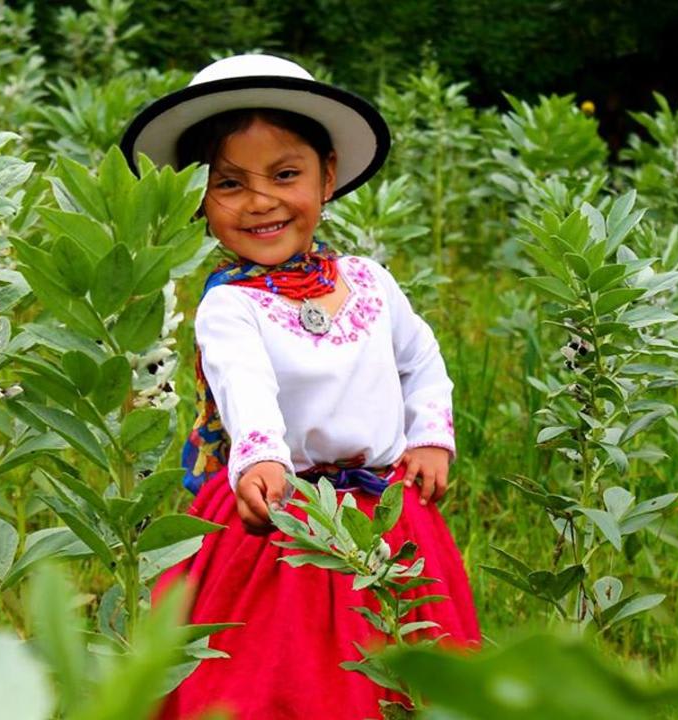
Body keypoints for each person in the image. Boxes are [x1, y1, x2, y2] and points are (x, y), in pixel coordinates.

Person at [120, 54, 481, 720]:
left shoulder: (370, 281)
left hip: (387, 516)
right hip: (277, 516)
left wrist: (431, 435)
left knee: (404, 657)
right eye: (229, 184)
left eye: (286, 175)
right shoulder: (231, 305)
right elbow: (243, 385)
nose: (260, 201)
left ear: (328, 177)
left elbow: (421, 359)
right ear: (199, 197)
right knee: (272, 677)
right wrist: (261, 455)